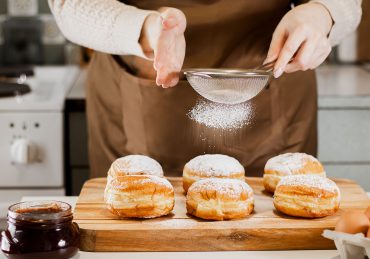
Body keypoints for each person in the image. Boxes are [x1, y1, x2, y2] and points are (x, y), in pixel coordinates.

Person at [49, 0, 362, 177]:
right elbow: (70, 5)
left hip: (271, 81)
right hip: (139, 81)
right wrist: (146, 31)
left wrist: (322, 13)